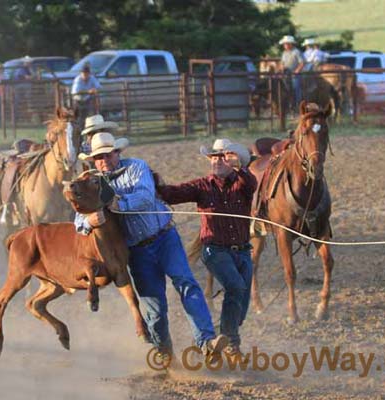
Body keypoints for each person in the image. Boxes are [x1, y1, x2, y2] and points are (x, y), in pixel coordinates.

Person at [74, 132, 228, 360]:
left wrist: (118, 203)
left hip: (164, 237)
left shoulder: (136, 167)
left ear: (118, 153)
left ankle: (206, 341)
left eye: (107, 154)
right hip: (136, 251)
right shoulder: (90, 182)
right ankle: (165, 353)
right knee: (155, 308)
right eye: (98, 157)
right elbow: (77, 218)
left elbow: (145, 197)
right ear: (93, 160)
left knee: (186, 283)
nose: (103, 160)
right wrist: (88, 221)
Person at [156, 139, 257, 356]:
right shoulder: (201, 186)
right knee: (236, 287)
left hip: (243, 251)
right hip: (215, 251)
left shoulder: (243, 184)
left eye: (222, 157)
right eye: (213, 157)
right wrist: (154, 183)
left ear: (232, 161)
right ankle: (231, 344)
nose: (217, 161)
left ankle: (225, 336)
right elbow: (173, 193)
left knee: (241, 307)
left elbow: (250, 182)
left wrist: (240, 166)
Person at [71, 64, 101, 130]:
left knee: (89, 117)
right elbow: (76, 92)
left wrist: (95, 90)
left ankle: (89, 131)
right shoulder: (78, 80)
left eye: (87, 74)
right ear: (81, 73)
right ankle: (78, 132)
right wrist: (88, 91)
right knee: (78, 119)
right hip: (77, 101)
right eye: (84, 73)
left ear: (89, 73)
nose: (85, 75)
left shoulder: (91, 78)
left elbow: (98, 87)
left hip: (87, 100)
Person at [279, 35, 305, 109]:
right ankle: (286, 105)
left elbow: (302, 63)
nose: (285, 45)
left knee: (295, 87)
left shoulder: (296, 52)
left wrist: (297, 71)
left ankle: (298, 104)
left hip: (294, 74)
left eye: (286, 43)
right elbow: (282, 63)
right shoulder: (284, 53)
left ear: (291, 44)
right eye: (284, 44)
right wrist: (281, 68)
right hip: (286, 74)